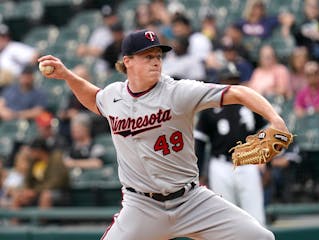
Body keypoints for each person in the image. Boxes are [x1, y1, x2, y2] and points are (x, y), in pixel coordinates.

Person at [38, 29, 290, 240]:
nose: (156, 61)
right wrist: (67, 75)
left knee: (262, 238)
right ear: (128, 61)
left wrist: (275, 120)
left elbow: (238, 92)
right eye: (148, 56)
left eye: (158, 56)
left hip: (191, 201)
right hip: (142, 207)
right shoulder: (113, 96)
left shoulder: (178, 92)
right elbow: (93, 97)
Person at [194, 66, 266, 224]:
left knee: (256, 216)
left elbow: (264, 131)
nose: (231, 85)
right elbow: (199, 141)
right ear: (220, 82)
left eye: (234, 81)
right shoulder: (210, 107)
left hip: (248, 162)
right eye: (228, 81)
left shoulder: (250, 103)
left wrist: (264, 160)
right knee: (226, 218)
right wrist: (198, 173)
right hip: (221, 165)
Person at [11, 138, 69, 211]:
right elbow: (28, 180)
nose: (30, 153)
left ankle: (41, 222)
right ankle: (14, 222)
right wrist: (26, 190)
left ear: (39, 151)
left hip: (58, 192)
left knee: (46, 195)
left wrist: (35, 191)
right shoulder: (34, 161)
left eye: (32, 151)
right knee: (18, 196)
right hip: (38, 192)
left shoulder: (56, 159)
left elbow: (55, 183)